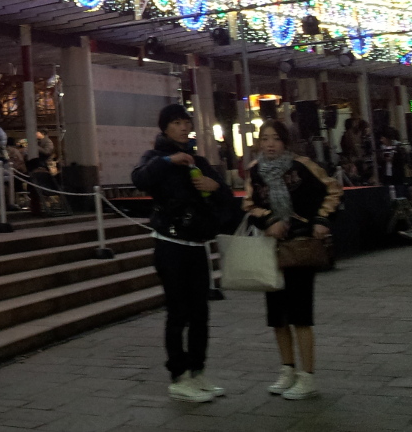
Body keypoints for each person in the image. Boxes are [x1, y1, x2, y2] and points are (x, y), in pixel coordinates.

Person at [131, 103, 235, 403]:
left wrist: (214, 186)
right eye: (176, 122)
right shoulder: (155, 158)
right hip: (170, 244)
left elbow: (226, 198)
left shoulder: (198, 160)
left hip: (197, 245)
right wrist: (168, 160)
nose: (182, 127)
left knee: (200, 313)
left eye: (185, 122)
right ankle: (178, 376)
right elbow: (139, 179)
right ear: (165, 128)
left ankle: (198, 371)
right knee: (178, 313)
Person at [244, 120, 342, 401]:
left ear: (285, 141)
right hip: (270, 249)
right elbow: (249, 205)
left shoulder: (302, 166)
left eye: (275, 138)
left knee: (300, 315)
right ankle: (287, 369)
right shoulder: (255, 172)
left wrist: (322, 219)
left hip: (299, 247)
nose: (270, 143)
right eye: (265, 138)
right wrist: (270, 221)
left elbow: (332, 190)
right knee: (277, 317)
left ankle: (307, 376)